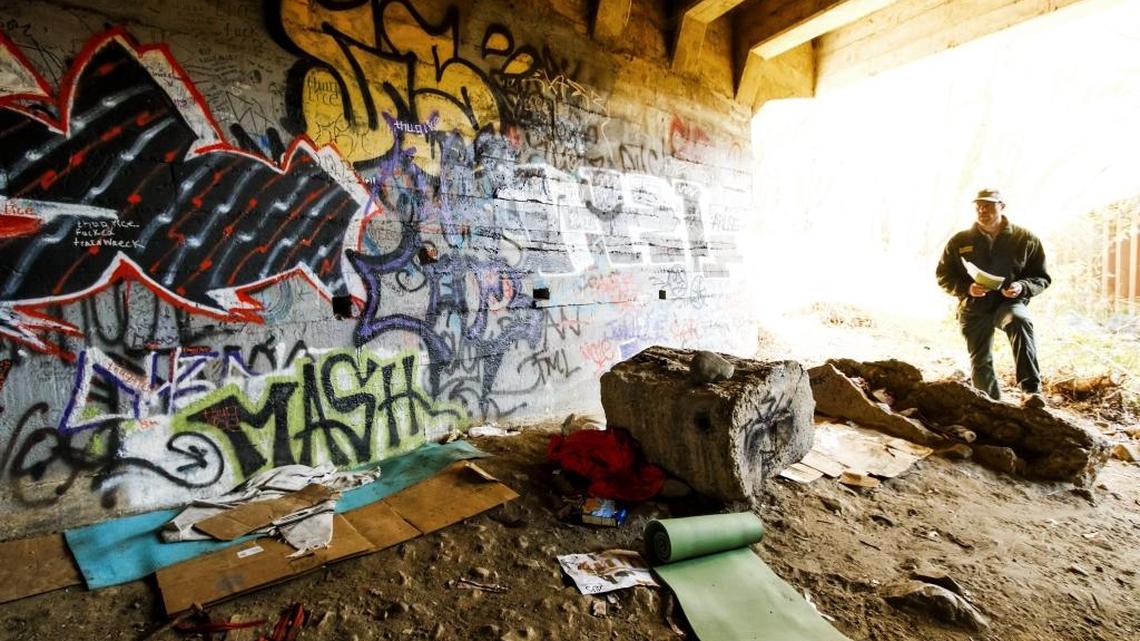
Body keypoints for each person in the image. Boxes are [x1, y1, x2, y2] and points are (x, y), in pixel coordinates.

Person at [936, 189, 1051, 407]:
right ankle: (991, 404)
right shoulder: (960, 240)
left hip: (1009, 303)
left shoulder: (1025, 239)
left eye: (988, 205)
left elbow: (1041, 277)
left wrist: (1022, 287)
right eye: (978, 206)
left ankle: (1031, 392)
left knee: (1020, 322)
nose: (982, 210)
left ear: (1002, 206)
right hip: (974, 306)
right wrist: (967, 288)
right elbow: (943, 275)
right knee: (980, 360)